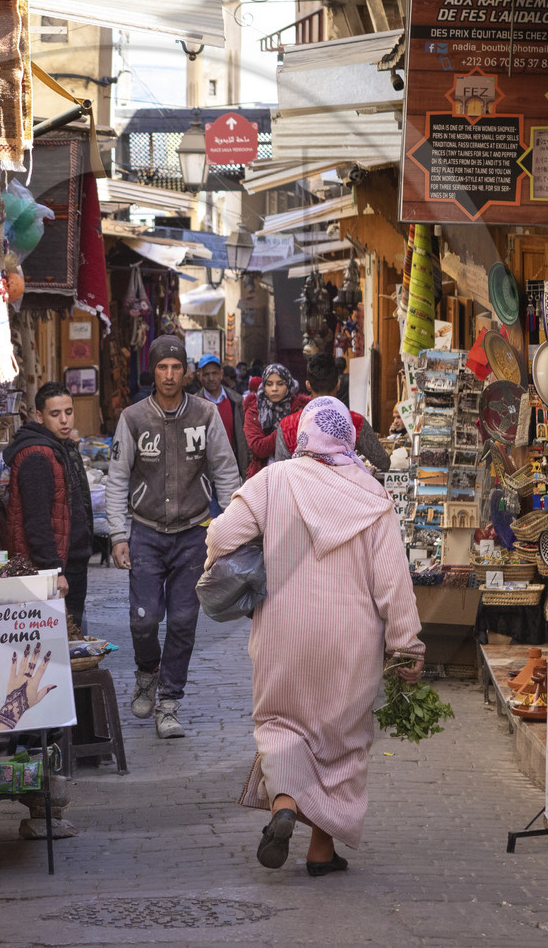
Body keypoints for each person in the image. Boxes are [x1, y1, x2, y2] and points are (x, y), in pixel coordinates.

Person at [204, 396, 424, 875]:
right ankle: (321, 852)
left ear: (302, 436)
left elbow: (221, 537)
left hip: (283, 633)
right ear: (347, 437)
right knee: (342, 742)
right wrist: (407, 645)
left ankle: (285, 803)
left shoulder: (272, 482)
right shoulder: (373, 496)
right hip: (352, 642)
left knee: (281, 726)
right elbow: (392, 582)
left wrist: (256, 558)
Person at [106, 334, 242, 739]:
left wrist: (230, 528)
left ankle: (169, 701)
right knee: (144, 618)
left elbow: (225, 471)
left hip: (193, 532)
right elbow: (116, 480)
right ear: (153, 371)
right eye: (161, 367)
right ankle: (147, 671)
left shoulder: (205, 414)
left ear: (187, 373)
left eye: (175, 367)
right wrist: (117, 535)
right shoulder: (133, 418)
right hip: (146, 532)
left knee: (183, 619)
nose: (168, 375)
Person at [0, 383, 94, 629]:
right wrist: (55, 570)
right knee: (63, 640)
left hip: (69, 560)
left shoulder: (59, 447)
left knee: (71, 637)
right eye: (55, 414)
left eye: (69, 412)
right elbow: (37, 521)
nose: (64, 420)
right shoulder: (38, 456)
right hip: (54, 569)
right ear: (40, 417)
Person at [272, 353, 390, 471]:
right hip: (345, 488)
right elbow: (383, 462)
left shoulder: (288, 425)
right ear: (338, 384)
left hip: (299, 488)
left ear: (308, 385)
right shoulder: (354, 421)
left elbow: (280, 471)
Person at [242, 362, 305, 478]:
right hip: (262, 476)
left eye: (280, 384)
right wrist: (286, 428)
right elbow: (258, 447)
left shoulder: (300, 408)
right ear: (263, 386)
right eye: (269, 384)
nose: (274, 389)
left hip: (296, 475)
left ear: (288, 385)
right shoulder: (254, 410)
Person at [194, 353, 249, 478]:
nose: (211, 378)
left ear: (221, 374)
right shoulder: (194, 405)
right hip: (205, 474)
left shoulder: (236, 402)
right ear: (200, 376)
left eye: (214, 373)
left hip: (232, 470)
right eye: (206, 374)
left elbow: (245, 438)